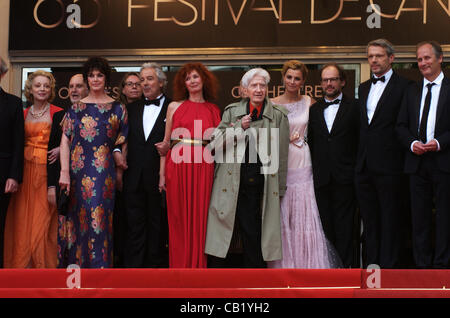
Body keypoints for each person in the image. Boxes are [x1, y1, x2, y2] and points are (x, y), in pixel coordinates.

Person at [205, 68, 290, 268]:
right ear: (244, 89)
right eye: (254, 85)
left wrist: (280, 189)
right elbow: (214, 145)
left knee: (253, 234)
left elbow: (283, 155)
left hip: (258, 184)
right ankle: (218, 282)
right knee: (222, 233)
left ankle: (255, 283)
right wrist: (237, 128)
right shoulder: (231, 111)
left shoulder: (278, 116)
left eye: (262, 85)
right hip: (229, 182)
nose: (259, 89)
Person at [58, 56, 128, 268]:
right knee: (78, 221)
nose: (95, 79)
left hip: (104, 174)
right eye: (91, 75)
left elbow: (122, 142)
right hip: (77, 174)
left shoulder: (118, 108)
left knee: (100, 222)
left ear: (106, 79)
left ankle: (100, 272)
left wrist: (119, 173)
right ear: (87, 79)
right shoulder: (76, 108)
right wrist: (64, 172)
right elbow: (65, 142)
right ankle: (75, 274)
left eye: (99, 75)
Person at [159, 62, 221, 268]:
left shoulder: (213, 110)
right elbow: (166, 144)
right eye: (188, 78)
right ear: (183, 84)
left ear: (204, 80)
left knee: (201, 219)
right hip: (177, 169)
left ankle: (198, 269)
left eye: (195, 77)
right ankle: (179, 269)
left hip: (204, 167)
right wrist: (161, 175)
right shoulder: (174, 107)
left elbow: (219, 145)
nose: (192, 81)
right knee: (178, 219)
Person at [356, 39, 411, 268]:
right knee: (369, 221)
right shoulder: (364, 87)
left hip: (391, 166)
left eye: (378, 56)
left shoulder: (406, 86)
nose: (374, 60)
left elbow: (404, 125)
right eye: (370, 56)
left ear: (391, 58)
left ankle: (389, 270)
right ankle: (372, 268)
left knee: (390, 220)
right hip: (364, 166)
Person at [397, 41, 450, 269]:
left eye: (427, 58)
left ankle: (442, 266)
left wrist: (439, 142)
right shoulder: (411, 90)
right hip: (416, 164)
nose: (423, 63)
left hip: (444, 161)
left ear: (440, 59)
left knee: (445, 218)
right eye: (419, 59)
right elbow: (400, 125)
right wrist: (411, 143)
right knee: (419, 219)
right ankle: (422, 267)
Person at [3, 70, 64, 268]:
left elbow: (68, 140)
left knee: (42, 221)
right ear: (30, 89)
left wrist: (60, 147)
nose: (42, 89)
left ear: (51, 89)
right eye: (37, 85)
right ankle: (21, 268)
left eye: (46, 86)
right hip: (24, 173)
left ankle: (42, 268)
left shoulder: (59, 113)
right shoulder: (22, 112)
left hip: (46, 174)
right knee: (21, 221)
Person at [308, 62, 359, 268]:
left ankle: (346, 272)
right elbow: (311, 142)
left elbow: (360, 141)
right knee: (325, 228)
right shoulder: (314, 109)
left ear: (342, 81)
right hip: (321, 179)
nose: (329, 83)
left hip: (346, 178)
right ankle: (329, 270)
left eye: (333, 79)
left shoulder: (355, 107)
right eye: (325, 80)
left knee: (346, 228)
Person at [121, 63, 170, 268]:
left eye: (149, 79)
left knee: (158, 227)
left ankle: (157, 275)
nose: (144, 83)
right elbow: (119, 138)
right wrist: (117, 154)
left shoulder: (174, 107)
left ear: (161, 82)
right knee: (134, 227)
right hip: (133, 177)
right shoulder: (131, 108)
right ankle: (134, 276)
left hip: (161, 177)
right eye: (142, 80)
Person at [0, 57, 24, 268]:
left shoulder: (14, 103)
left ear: (3, 74)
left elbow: (18, 143)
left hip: (3, 176)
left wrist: (14, 176)